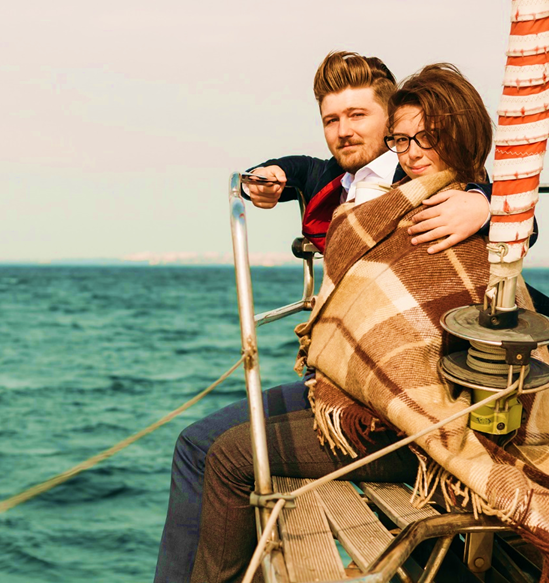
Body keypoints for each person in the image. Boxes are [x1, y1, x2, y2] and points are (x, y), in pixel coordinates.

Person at [153, 51, 491, 583]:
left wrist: (483, 202)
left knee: (226, 457)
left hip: (395, 404)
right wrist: (269, 178)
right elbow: (296, 168)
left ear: (390, 117)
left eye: (359, 116)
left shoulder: (426, 182)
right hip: (333, 381)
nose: (344, 130)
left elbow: (476, 181)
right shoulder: (332, 178)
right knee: (197, 444)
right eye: (332, 119)